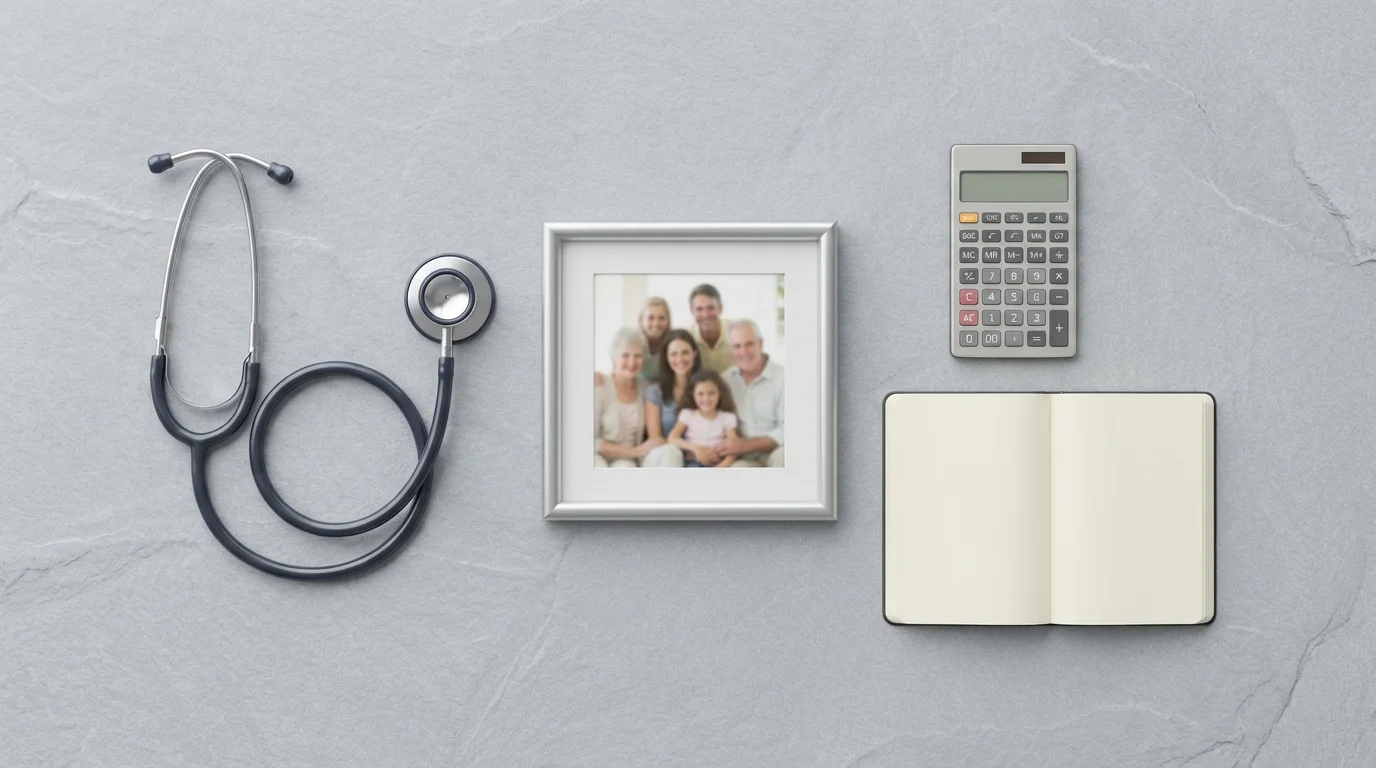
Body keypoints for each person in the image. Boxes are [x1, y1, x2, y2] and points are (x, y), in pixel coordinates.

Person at [716, 319, 785, 467]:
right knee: (738, 470)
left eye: (749, 344)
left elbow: (789, 429)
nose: (743, 352)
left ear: (760, 343)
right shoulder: (725, 380)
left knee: (784, 457)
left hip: (776, 450)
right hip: (742, 457)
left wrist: (746, 445)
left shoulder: (783, 377)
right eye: (737, 346)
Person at [593, 328, 664, 467]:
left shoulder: (646, 389)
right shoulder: (599, 386)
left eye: (638, 356)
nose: (632, 362)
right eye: (625, 355)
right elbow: (590, 441)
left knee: (626, 467)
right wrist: (636, 451)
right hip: (597, 456)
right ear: (614, 357)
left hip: (627, 460)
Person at [641, 330, 702, 468]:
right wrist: (688, 449)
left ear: (695, 354)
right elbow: (656, 440)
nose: (680, 359)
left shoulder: (706, 389)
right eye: (674, 354)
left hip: (697, 458)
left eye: (685, 352)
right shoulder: (655, 391)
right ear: (666, 358)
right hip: (666, 455)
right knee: (672, 453)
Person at [668, 370, 740, 468]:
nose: (706, 399)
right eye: (700, 394)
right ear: (693, 395)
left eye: (711, 393)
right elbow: (672, 438)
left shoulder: (727, 418)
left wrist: (722, 466)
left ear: (719, 394)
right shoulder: (688, 414)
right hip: (692, 462)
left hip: (716, 464)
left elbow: (734, 448)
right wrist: (696, 449)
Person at [687, 284, 735, 374]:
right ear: (692, 311)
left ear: (720, 308)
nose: (705, 315)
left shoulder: (736, 332)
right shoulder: (686, 338)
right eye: (699, 309)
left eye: (710, 308)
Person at [636, 296, 671, 382]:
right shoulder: (633, 344)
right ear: (641, 320)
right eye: (651, 318)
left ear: (668, 321)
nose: (656, 323)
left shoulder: (673, 344)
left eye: (661, 318)